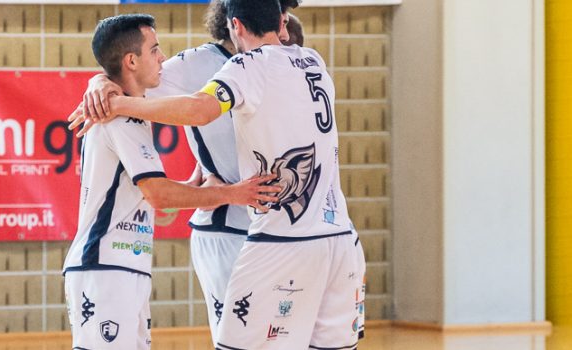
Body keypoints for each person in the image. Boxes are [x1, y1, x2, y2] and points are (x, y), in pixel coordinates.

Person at [74, 0, 364, 348]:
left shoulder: (269, 62)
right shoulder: (297, 62)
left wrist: (112, 97)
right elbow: (128, 76)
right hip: (242, 225)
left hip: (280, 231)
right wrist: (98, 84)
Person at [64, 14, 279, 350]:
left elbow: (148, 192)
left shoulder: (134, 111)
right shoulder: (121, 118)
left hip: (125, 265)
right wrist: (232, 194)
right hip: (104, 265)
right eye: (155, 49)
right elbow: (159, 195)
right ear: (132, 61)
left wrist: (199, 189)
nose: (162, 57)